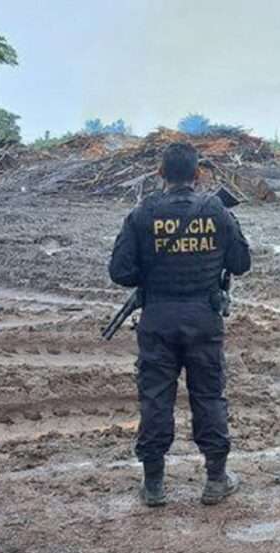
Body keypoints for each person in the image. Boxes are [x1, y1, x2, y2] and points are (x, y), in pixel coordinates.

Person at [108, 143, 251, 507]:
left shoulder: (142, 213)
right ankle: (216, 480)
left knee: (155, 399)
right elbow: (240, 262)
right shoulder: (216, 210)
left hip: (158, 318)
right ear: (198, 174)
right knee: (209, 396)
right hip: (204, 318)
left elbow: (120, 271)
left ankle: (154, 484)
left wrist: (151, 274)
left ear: (161, 173)